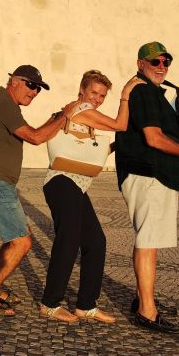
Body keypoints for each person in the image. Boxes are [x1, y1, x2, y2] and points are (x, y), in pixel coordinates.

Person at [0, 64, 80, 316]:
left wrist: (56, 117)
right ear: (15, 81)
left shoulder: (6, 104)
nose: (34, 91)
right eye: (31, 85)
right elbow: (36, 138)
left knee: (15, 239)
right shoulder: (3, 103)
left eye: (38, 88)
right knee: (21, 242)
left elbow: (35, 133)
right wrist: (65, 117)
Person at [114, 42, 179, 334]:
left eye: (166, 61)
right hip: (148, 174)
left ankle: (144, 299)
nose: (162, 66)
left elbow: (169, 129)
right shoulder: (143, 91)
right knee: (147, 242)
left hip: (155, 175)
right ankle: (147, 311)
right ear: (141, 63)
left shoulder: (156, 92)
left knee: (150, 241)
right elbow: (154, 138)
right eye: (155, 61)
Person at [40, 70, 144, 323]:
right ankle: (50, 303)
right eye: (94, 93)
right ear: (82, 91)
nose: (97, 99)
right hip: (61, 181)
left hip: (76, 184)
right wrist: (126, 95)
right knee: (69, 239)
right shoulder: (80, 108)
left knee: (96, 242)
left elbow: (93, 154)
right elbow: (120, 125)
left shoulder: (86, 118)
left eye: (101, 96)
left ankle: (86, 305)